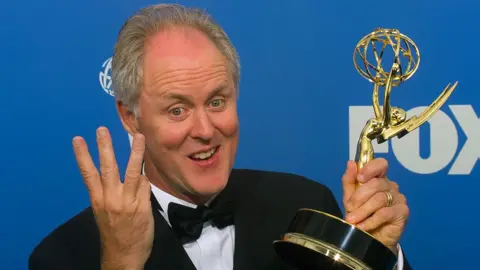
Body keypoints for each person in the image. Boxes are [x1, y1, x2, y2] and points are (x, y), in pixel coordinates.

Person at [29, 4, 412, 270]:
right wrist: (122, 262)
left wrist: (380, 253)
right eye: (177, 109)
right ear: (131, 118)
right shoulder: (63, 255)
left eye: (216, 101)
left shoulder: (305, 206)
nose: (204, 129)